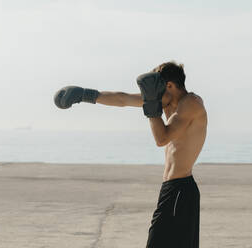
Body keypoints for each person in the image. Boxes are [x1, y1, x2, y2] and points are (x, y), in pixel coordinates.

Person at [54, 61, 208, 248]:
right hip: (173, 190)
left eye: (158, 88)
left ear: (170, 85)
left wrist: (152, 106)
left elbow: (162, 138)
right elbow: (123, 99)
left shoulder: (191, 104)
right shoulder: (166, 100)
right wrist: (85, 95)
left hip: (181, 191)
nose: (155, 93)